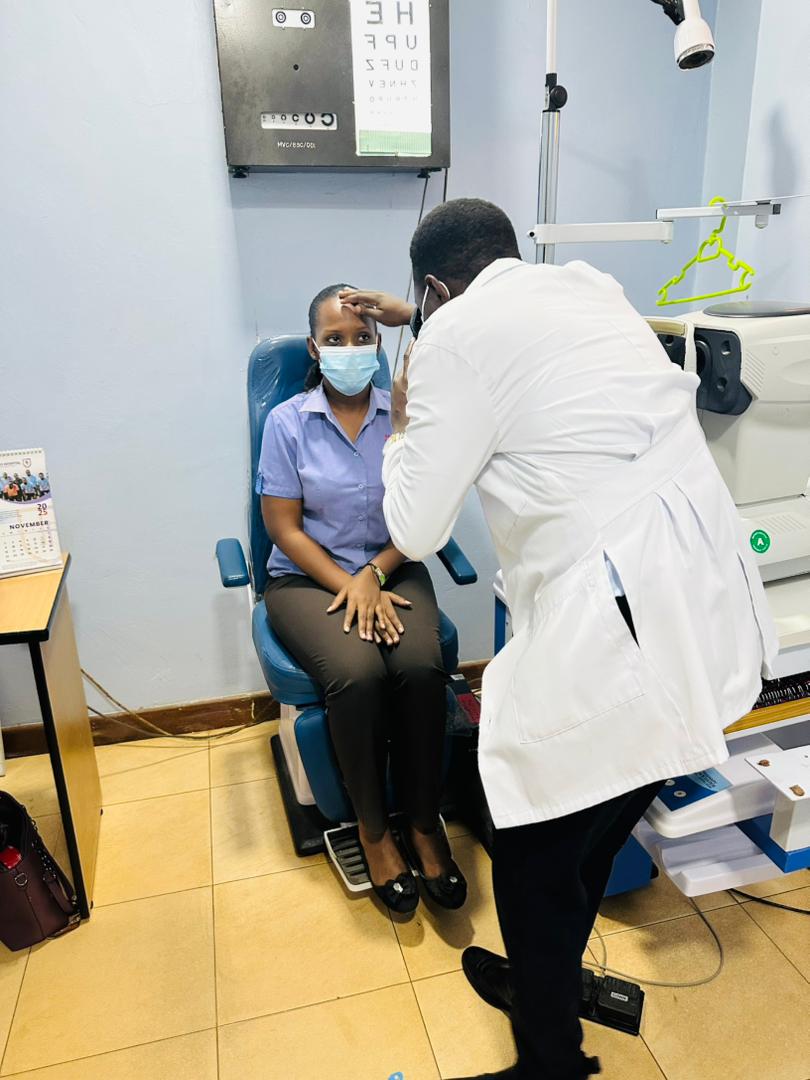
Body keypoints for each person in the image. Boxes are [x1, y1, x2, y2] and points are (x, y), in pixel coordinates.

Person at [340, 199, 776, 1080]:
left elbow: (413, 524)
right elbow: (506, 339)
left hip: (613, 620)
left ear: (436, 290)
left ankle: (551, 1060)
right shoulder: (587, 286)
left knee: (534, 857)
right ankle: (550, 985)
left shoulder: (449, 342)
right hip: (700, 588)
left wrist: (401, 407)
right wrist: (412, 316)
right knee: (596, 831)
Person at [256, 283, 467, 915]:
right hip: (305, 578)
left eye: (363, 338)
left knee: (422, 668)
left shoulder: (405, 411)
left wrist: (374, 571)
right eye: (335, 339)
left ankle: (424, 823)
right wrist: (349, 582)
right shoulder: (287, 423)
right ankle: (374, 833)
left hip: (394, 565)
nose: (350, 349)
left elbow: (423, 510)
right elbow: (284, 528)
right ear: (316, 351)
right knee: (356, 674)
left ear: (379, 344)